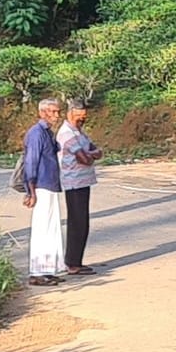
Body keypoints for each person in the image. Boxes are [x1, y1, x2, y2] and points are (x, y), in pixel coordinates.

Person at [56, 98, 103, 275]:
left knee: (82, 222)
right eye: (78, 117)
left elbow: (96, 151)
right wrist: (91, 154)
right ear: (70, 114)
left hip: (83, 181)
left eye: (84, 116)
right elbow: (85, 158)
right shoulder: (67, 133)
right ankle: (73, 263)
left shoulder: (79, 132)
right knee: (77, 222)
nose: (82, 120)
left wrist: (90, 154)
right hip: (73, 182)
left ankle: (76, 261)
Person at [21, 97, 65, 286]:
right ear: (42, 112)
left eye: (58, 111)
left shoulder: (47, 133)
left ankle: (48, 269)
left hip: (50, 185)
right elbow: (31, 162)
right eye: (53, 112)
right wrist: (30, 191)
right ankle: (37, 272)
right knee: (42, 229)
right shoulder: (36, 133)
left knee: (51, 228)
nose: (57, 115)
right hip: (41, 186)